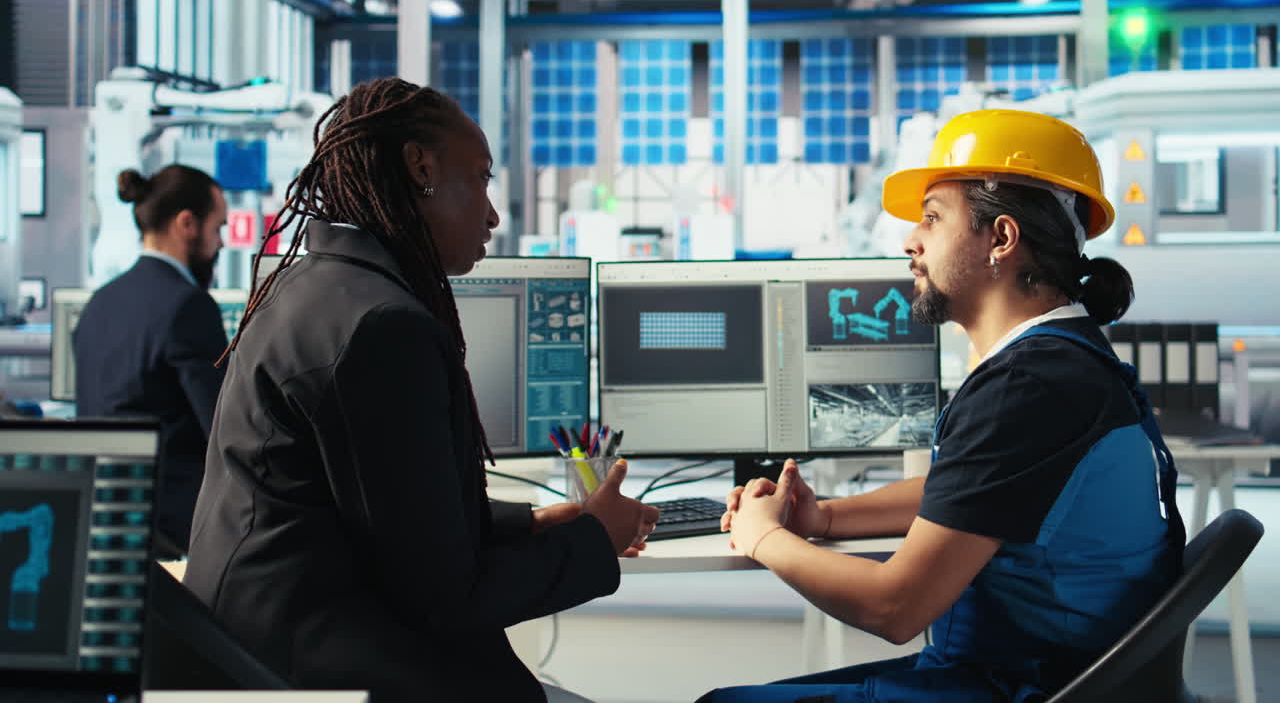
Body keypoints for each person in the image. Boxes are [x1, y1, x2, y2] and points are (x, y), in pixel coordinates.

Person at [184, 78, 659, 703]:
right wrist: (595, 540)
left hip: (263, 647)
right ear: (420, 167)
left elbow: (388, 516)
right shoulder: (383, 327)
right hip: (323, 666)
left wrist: (534, 523)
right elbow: (447, 597)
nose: (492, 213)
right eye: (483, 178)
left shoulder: (311, 285)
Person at [706, 110, 1185, 702]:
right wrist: (825, 517)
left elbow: (896, 606)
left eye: (932, 219)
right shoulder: (1066, 359)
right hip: (1053, 671)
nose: (911, 240)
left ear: (1001, 239)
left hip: (1018, 684)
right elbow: (970, 495)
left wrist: (764, 539)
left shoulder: (1028, 386)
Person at [74, 164, 228, 555]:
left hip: (106, 520)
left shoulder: (99, 303)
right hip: (175, 533)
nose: (221, 244)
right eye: (218, 228)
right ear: (186, 224)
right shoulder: (189, 306)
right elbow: (225, 432)